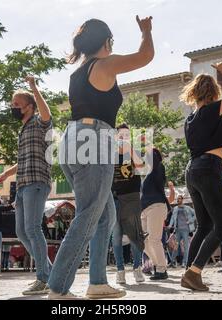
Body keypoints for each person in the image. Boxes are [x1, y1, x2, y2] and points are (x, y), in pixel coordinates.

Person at [48, 16, 154, 300]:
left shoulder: (77, 73)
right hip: (94, 138)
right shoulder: (105, 64)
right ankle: (57, 287)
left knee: (104, 215)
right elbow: (146, 56)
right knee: (88, 215)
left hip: (72, 139)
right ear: (106, 41)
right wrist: (146, 31)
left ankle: (97, 282)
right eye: (112, 42)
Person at [180, 61, 222, 291]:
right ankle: (195, 271)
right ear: (213, 92)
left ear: (195, 92)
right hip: (208, 168)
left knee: (205, 225)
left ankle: (189, 273)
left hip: (193, 170)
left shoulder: (191, 119)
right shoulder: (211, 110)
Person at [0, 75, 53, 296]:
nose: (13, 108)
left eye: (17, 104)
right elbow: (23, 160)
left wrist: (34, 88)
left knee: (33, 229)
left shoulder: (39, 122)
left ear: (29, 107)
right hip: (22, 185)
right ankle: (49, 271)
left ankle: (44, 277)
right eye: (12, 104)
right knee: (21, 231)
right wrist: (6, 173)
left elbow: (47, 113)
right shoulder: (23, 129)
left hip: (37, 181)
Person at [112, 124, 146, 285]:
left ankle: (137, 268)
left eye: (127, 135)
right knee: (117, 235)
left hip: (131, 197)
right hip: (114, 197)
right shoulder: (110, 154)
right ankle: (120, 271)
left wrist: (130, 149)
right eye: (121, 135)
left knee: (134, 235)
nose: (124, 137)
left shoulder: (135, 152)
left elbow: (141, 167)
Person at [141, 148, 171, 281]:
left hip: (157, 206)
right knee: (142, 241)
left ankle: (161, 270)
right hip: (145, 210)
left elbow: (159, 182)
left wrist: (151, 152)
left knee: (154, 239)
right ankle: (158, 265)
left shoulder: (158, 168)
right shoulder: (147, 173)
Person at [168, 195, 196, 268]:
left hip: (186, 230)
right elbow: (172, 218)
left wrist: (190, 221)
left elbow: (195, 214)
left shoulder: (187, 208)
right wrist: (170, 225)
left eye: (179, 199)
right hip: (177, 230)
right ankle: (172, 261)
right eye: (177, 199)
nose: (178, 200)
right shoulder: (175, 208)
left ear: (182, 200)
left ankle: (185, 262)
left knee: (186, 247)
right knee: (176, 247)